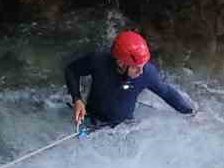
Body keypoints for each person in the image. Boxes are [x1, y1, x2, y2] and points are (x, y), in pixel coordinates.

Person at [63, 30, 196, 129]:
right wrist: (77, 99)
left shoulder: (147, 73)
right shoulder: (99, 60)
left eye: (143, 66)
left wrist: (191, 113)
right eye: (136, 68)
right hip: (91, 117)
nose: (141, 71)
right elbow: (71, 70)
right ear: (120, 63)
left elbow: (167, 92)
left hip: (124, 128)